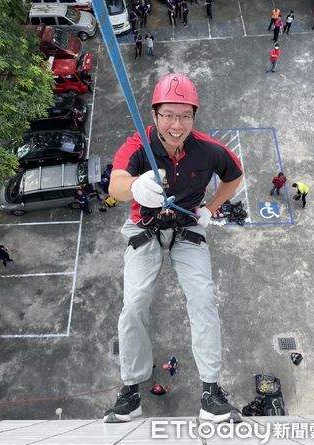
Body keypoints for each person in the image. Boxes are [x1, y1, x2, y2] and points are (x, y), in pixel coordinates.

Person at [103, 73, 243, 424]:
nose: (176, 124)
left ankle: (211, 391)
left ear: (194, 117)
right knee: (133, 305)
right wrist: (136, 185)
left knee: (203, 299)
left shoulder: (209, 150)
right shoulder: (138, 146)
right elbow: (116, 184)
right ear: (154, 115)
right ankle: (131, 390)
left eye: (184, 115)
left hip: (187, 227)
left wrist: (209, 208)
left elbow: (234, 176)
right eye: (168, 114)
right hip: (144, 228)